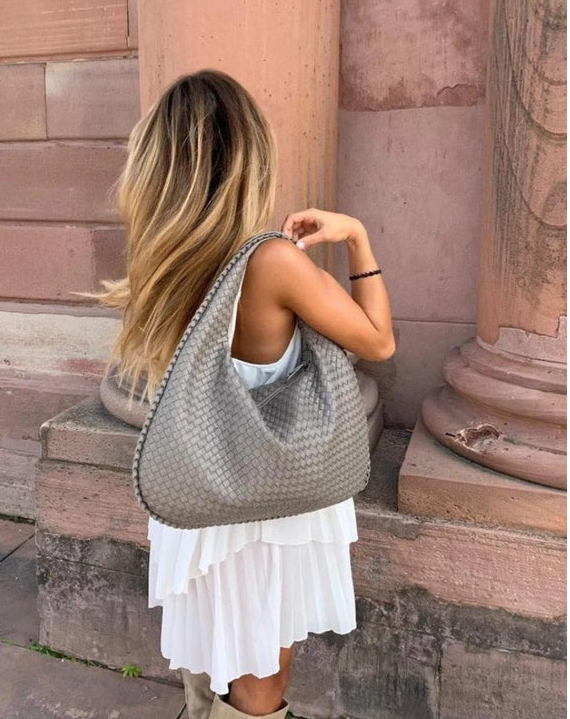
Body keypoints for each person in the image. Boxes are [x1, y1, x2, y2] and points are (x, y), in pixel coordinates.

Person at [90, 70, 394, 719]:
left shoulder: (165, 265)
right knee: (261, 686)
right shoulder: (271, 263)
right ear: (246, 161)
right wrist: (357, 237)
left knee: (223, 661)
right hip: (267, 507)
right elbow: (378, 341)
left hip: (204, 498)